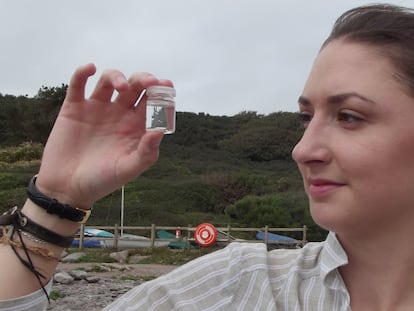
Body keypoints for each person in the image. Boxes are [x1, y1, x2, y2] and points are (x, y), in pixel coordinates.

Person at [1, 3, 414, 310]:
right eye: (306, 118)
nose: (302, 149)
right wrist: (54, 199)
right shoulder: (240, 285)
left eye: (349, 116)